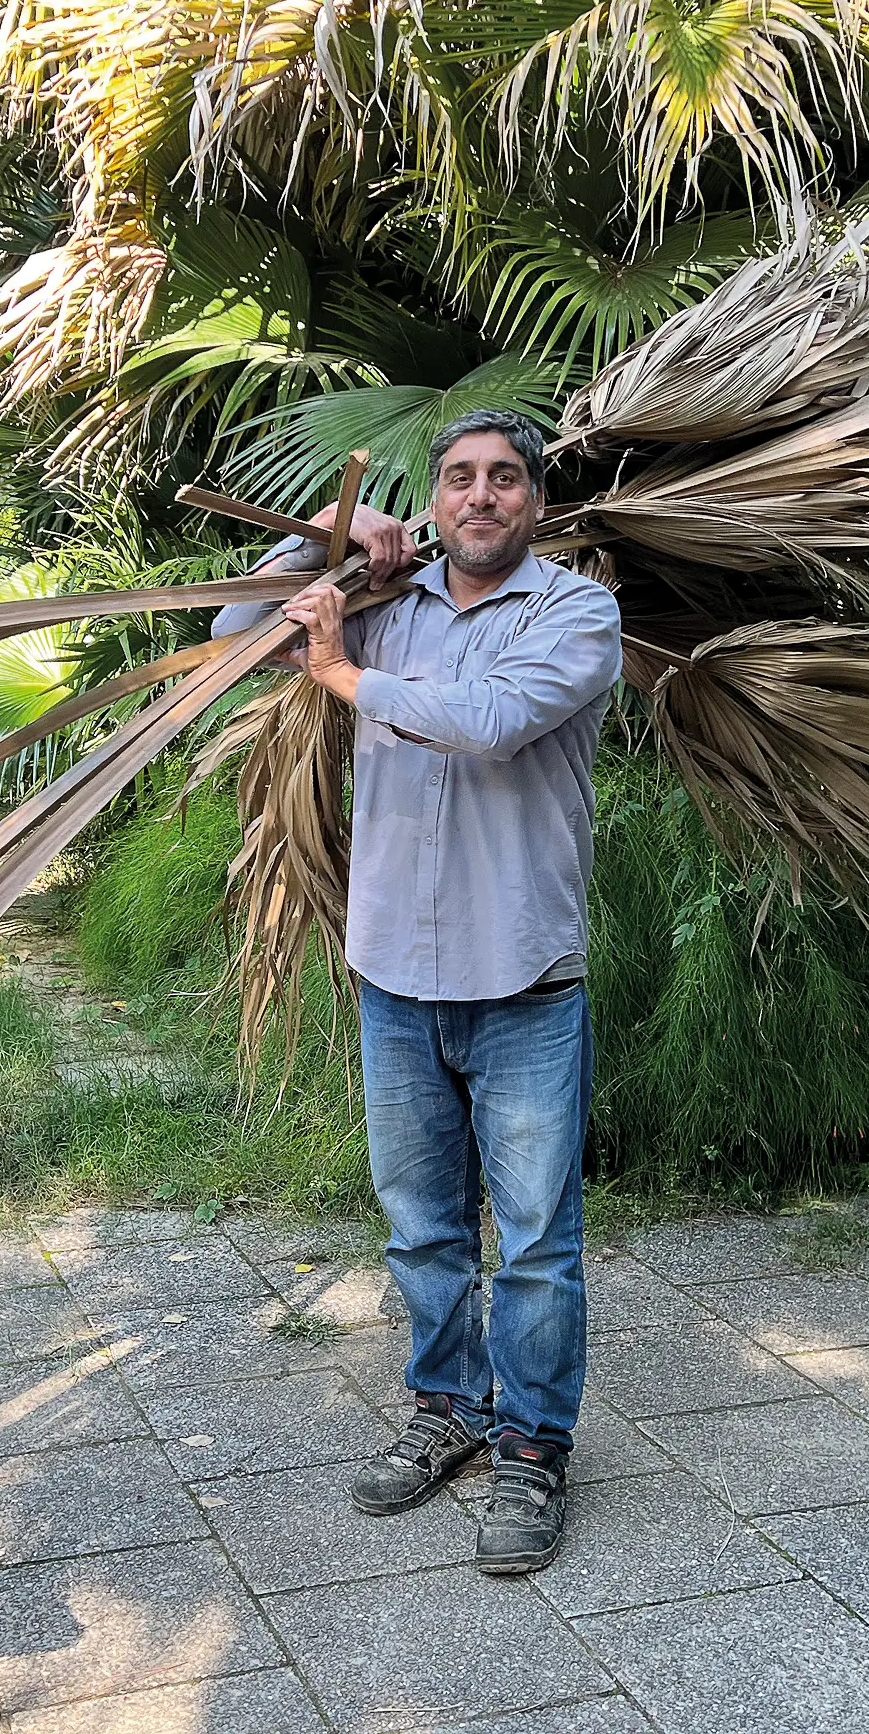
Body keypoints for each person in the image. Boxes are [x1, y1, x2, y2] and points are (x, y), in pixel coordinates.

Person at [211, 409, 623, 1574]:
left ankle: (533, 1450)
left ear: (534, 501)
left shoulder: (573, 613)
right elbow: (235, 625)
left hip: (523, 975)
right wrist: (322, 548)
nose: (479, 495)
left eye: (502, 478)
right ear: (432, 499)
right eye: (456, 479)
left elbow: (489, 722)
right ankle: (446, 1408)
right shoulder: (382, 597)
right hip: (394, 970)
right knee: (421, 1225)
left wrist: (343, 667)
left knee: (537, 1239)